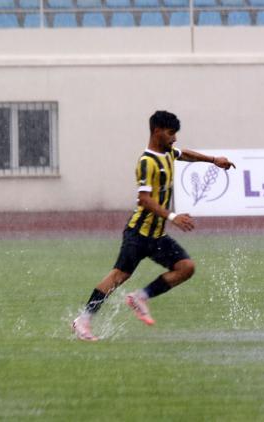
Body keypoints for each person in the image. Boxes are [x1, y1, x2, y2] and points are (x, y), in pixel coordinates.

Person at [71, 110, 235, 341]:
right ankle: (83, 320)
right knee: (118, 276)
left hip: (157, 235)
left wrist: (213, 160)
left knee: (186, 267)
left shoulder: (168, 152)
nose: (174, 139)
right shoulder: (147, 162)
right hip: (138, 233)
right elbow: (144, 200)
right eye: (170, 133)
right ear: (156, 131)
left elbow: (184, 154)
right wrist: (172, 217)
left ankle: (140, 297)